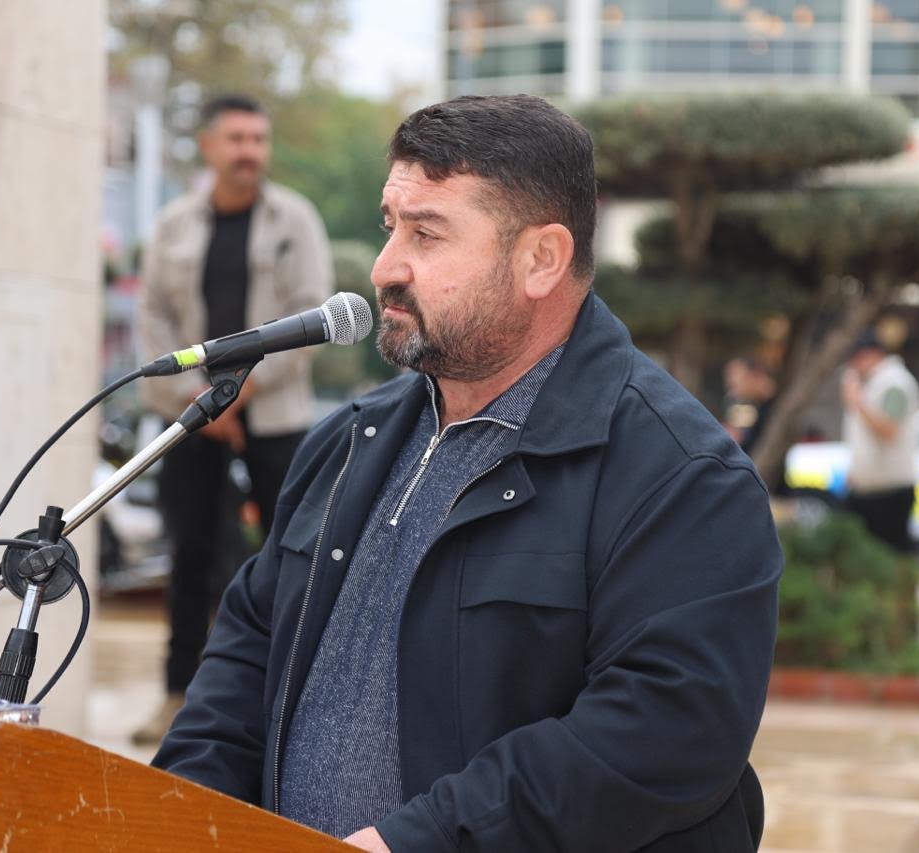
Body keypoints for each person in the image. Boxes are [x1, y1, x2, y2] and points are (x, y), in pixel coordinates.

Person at [153, 95, 781, 852]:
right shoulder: (347, 442)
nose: (385, 267)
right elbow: (247, 653)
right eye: (391, 225)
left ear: (541, 260)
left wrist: (413, 840)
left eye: (426, 233)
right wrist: (182, 813)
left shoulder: (683, 476)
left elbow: (667, 731)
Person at [134, 94, 334, 743]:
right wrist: (198, 396)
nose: (250, 151)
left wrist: (240, 390)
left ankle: (290, 701)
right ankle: (176, 697)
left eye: (258, 139)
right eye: (237, 138)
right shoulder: (171, 225)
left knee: (291, 551)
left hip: (274, 414)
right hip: (195, 418)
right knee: (190, 555)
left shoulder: (294, 219)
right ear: (209, 147)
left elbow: (313, 317)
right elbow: (152, 316)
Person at [840, 330, 919, 553]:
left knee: (891, 556)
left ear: (872, 354)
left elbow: (889, 430)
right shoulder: (873, 382)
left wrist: (857, 401)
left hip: (890, 490)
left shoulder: (894, 383)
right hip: (868, 488)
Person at [723, 356, 776, 457]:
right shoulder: (746, 404)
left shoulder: (777, 405)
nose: (732, 391)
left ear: (756, 375)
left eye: (736, 383)